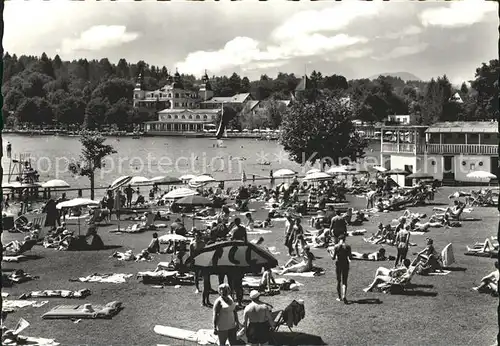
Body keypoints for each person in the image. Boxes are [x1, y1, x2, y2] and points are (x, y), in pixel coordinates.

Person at [329, 234, 352, 303]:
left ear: (338, 239)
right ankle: (344, 295)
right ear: (344, 239)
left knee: (338, 281)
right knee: (344, 281)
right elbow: (350, 257)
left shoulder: (336, 246)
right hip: (345, 263)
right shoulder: (348, 247)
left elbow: (333, 258)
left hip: (338, 264)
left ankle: (339, 297)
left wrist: (330, 252)